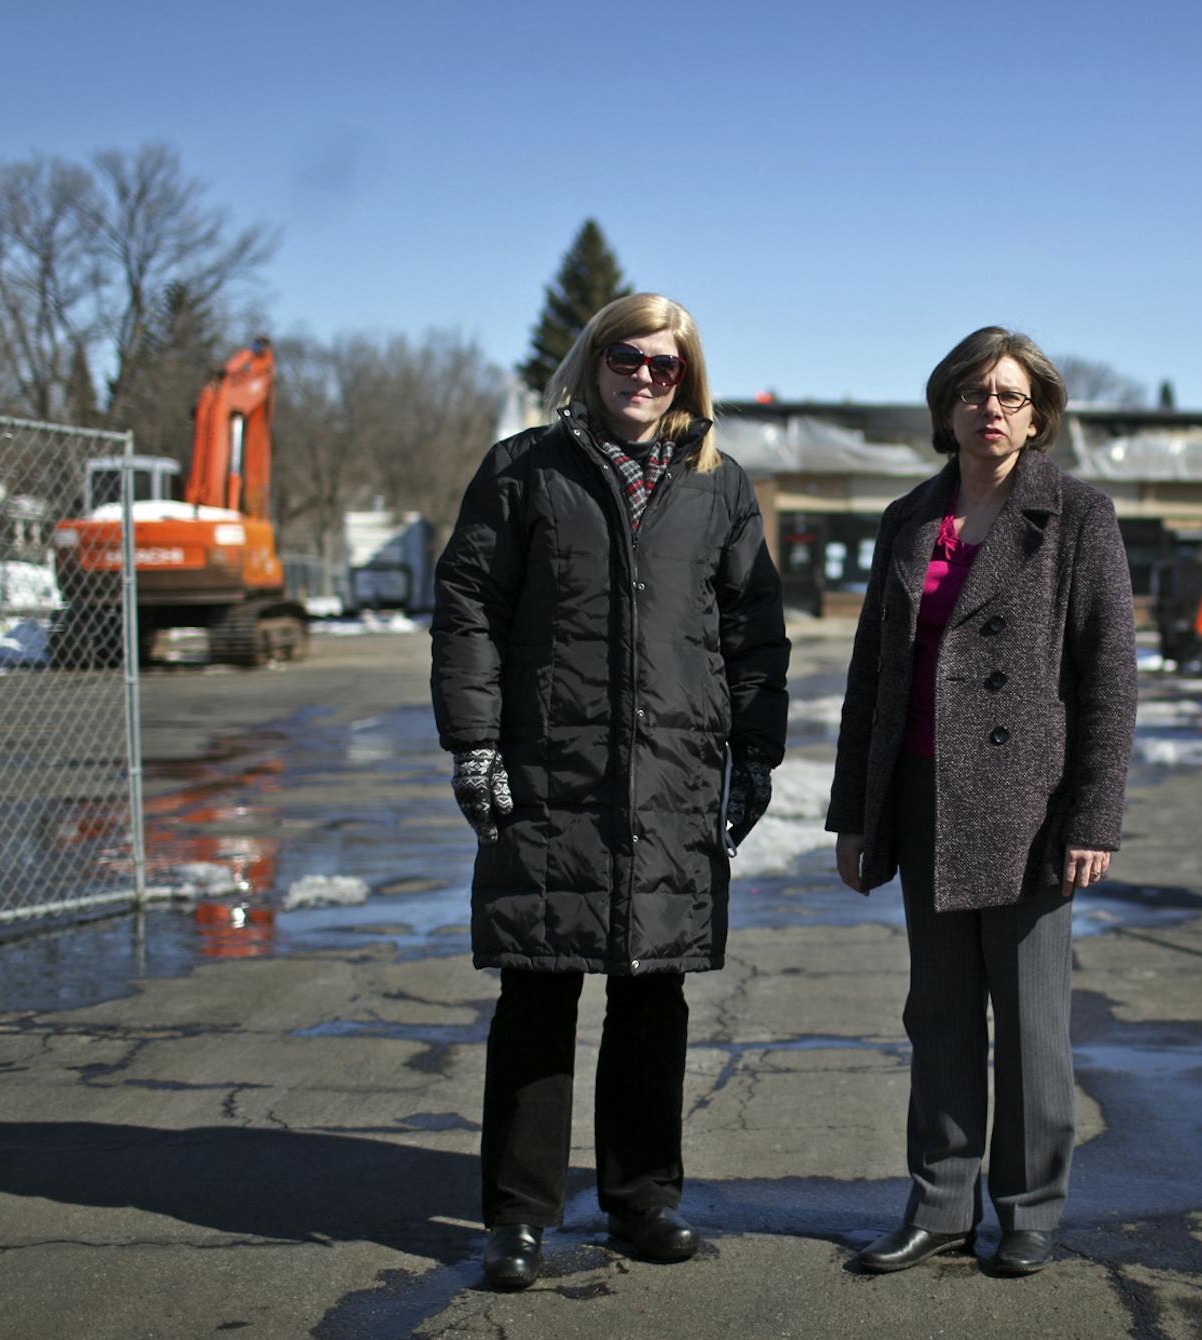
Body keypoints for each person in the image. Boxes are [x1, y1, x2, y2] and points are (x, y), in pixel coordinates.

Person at [431, 293, 788, 1290]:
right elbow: (469, 607)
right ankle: (518, 1215)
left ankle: (642, 1199)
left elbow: (753, 630)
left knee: (652, 989)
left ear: (686, 378)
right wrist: (475, 743)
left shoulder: (718, 484)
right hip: (551, 770)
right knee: (537, 986)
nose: (643, 376)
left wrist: (755, 753)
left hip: (672, 774)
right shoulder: (524, 469)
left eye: (663, 364)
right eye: (626, 357)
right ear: (592, 362)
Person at [826, 326, 1137, 1276]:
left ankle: (1031, 1208)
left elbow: (1110, 678)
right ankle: (940, 1206)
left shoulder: (1077, 516)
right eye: (973, 393)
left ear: (1038, 415)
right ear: (946, 409)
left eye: (1009, 395)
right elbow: (873, 675)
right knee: (940, 1013)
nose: (990, 409)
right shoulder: (910, 517)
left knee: (1033, 1024)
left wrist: (1093, 816)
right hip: (922, 794)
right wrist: (854, 815)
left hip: (1029, 807)